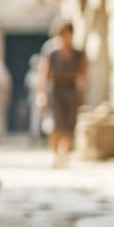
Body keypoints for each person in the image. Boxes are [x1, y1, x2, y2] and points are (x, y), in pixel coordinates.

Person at [36, 20, 87, 167]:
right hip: (55, 90)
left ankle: (63, 155)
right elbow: (43, 73)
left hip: (71, 90)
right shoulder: (50, 51)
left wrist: (80, 86)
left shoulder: (78, 53)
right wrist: (41, 94)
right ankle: (55, 153)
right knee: (55, 124)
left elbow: (83, 72)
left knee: (69, 124)